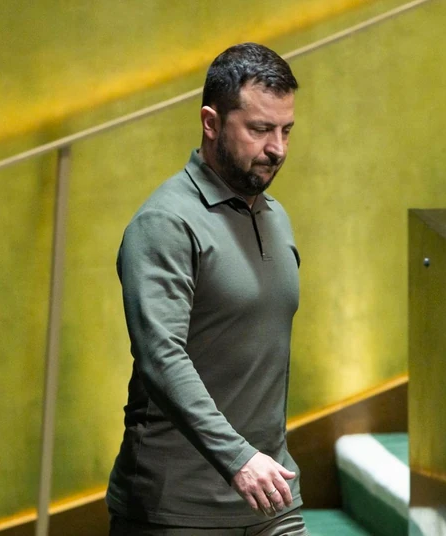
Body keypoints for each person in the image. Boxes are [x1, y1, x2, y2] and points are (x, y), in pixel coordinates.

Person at [106, 43, 308, 536]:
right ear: (210, 123)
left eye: (285, 130)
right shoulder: (165, 223)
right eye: (259, 129)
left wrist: (259, 463)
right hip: (175, 510)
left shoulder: (275, 216)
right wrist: (238, 458)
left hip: (270, 497)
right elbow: (162, 358)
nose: (277, 148)